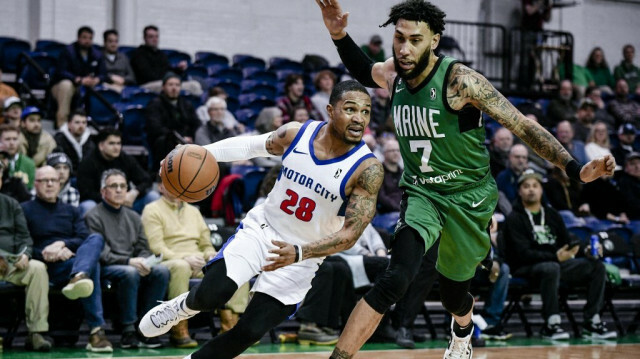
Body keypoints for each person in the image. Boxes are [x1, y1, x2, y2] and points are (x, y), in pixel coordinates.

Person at [314, 1, 616, 358]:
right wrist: (338, 34)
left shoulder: (461, 81)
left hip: (469, 197)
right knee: (397, 277)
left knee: (454, 294)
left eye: (415, 40)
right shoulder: (396, 73)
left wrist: (575, 168)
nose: (404, 48)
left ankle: (463, 330)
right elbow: (366, 71)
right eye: (399, 38)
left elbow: (521, 125)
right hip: (422, 193)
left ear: (435, 41)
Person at [138, 80, 383, 359]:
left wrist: (299, 252)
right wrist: (193, 154)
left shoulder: (367, 169)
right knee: (211, 296)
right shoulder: (297, 134)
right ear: (330, 110)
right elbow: (249, 147)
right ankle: (181, 307)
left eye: (366, 111)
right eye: (350, 109)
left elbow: (350, 234)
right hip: (264, 229)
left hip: (303, 256)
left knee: (250, 331)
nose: (358, 118)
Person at [504, 169, 616, 340]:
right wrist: (555, 257)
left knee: (596, 267)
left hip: (556, 265)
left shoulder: (551, 214)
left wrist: (585, 250)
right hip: (526, 267)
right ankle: (551, 324)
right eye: (526, 186)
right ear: (520, 191)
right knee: (551, 267)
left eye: (535, 186)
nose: (531, 189)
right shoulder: (514, 218)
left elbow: (568, 240)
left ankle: (592, 321)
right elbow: (522, 253)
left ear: (542, 190)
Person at [141, 181, 249, 348]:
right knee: (181, 267)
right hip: (169, 260)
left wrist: (210, 255)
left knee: (234, 267)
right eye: (169, 183)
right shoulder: (151, 210)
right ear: (160, 188)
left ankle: (230, 326)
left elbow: (206, 244)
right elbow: (157, 247)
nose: (176, 186)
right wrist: (186, 258)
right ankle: (179, 329)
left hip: (198, 260)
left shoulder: (194, 211)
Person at [22, 166, 112, 352]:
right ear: (35, 184)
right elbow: (24, 242)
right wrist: (48, 252)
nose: (49, 184)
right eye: (44, 180)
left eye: (53, 180)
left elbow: (82, 237)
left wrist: (63, 244)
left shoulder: (71, 210)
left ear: (60, 183)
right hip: (45, 266)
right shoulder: (25, 209)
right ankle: (96, 332)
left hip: (70, 261)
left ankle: (79, 274)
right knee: (92, 266)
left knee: (96, 238)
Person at [85, 169, 170, 349]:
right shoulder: (93, 215)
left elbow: (143, 247)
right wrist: (129, 261)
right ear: (103, 191)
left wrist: (146, 261)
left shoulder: (133, 216)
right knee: (130, 273)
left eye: (122, 186)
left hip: (133, 263)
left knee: (161, 271)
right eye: (113, 186)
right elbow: (100, 253)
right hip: (106, 267)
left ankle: (148, 328)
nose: (118, 190)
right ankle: (128, 329)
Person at [0, 165, 52, 351]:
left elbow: (24, 237)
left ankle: (36, 333)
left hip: (11, 263)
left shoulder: (11, 204)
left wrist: (25, 254)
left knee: (37, 268)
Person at [77, 127, 158, 214]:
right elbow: (86, 193)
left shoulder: (125, 158)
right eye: (112, 143)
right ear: (101, 146)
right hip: (101, 205)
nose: (116, 147)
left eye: (118, 143)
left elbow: (146, 180)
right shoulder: (88, 162)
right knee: (87, 205)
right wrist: (113, 198)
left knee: (152, 196)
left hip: (125, 203)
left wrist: (134, 192)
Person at [145, 72, 201, 171]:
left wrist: (191, 136)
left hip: (187, 139)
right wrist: (178, 138)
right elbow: (155, 127)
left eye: (177, 85)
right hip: (166, 140)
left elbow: (196, 123)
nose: (174, 88)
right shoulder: (155, 104)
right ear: (163, 87)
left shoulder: (186, 104)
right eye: (170, 85)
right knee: (163, 141)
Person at [51, 26, 104, 128]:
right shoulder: (68, 51)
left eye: (90, 38)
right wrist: (79, 79)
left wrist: (97, 79)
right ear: (78, 38)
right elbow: (61, 71)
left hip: (86, 86)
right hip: (63, 85)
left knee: (104, 87)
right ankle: (62, 124)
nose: (87, 41)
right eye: (84, 38)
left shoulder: (96, 54)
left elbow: (103, 74)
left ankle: (97, 123)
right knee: (66, 85)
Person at [129, 25, 202, 95]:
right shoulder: (138, 54)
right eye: (151, 37)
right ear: (145, 38)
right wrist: (167, 79)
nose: (155, 39)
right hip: (148, 84)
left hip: (164, 82)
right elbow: (147, 76)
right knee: (169, 85)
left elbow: (168, 70)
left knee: (194, 85)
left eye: (156, 36)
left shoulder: (161, 54)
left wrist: (179, 69)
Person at [53, 109, 94, 177]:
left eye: (84, 122)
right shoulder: (59, 140)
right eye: (77, 122)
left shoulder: (90, 140)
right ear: (69, 124)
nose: (81, 126)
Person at [0, 124, 35, 189]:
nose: (12, 143)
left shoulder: (29, 163)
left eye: (15, 139)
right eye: (7, 139)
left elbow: (31, 189)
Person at [377, 138, 403, 214]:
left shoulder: (404, 173)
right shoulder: (377, 173)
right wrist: (400, 209)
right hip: (386, 214)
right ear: (384, 153)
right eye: (392, 150)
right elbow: (381, 198)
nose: (396, 153)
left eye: (398, 150)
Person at [618, 152, 640, 220]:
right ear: (626, 168)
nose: (637, 167)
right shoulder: (624, 182)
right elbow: (632, 204)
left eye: (639, 163)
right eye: (632, 164)